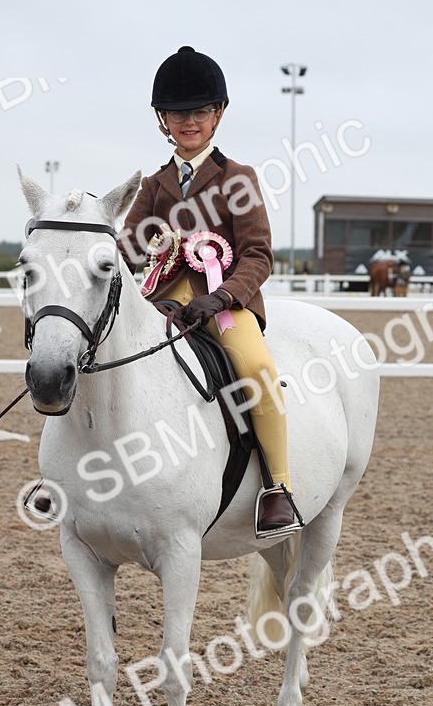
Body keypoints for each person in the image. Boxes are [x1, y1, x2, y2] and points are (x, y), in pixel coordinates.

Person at [118, 45, 298, 535]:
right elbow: (127, 251)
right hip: (161, 302)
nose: (188, 121)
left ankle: (277, 490)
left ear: (217, 114)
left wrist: (222, 296)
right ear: (163, 119)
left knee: (257, 368)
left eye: (199, 111)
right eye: (178, 113)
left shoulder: (238, 178)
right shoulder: (154, 186)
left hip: (222, 305)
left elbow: (259, 255)